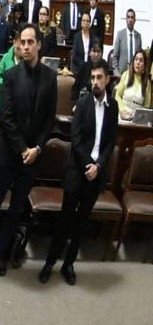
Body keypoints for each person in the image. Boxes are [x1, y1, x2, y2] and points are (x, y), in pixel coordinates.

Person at [0, 24, 57, 277]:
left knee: (17, 208)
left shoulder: (50, 77)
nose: (26, 47)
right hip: (10, 152)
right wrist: (23, 148)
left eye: (30, 42)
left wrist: (37, 148)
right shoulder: (10, 75)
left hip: (33, 157)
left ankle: (0, 253)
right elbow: (5, 118)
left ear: (39, 44)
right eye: (23, 42)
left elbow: (49, 120)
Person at [39, 60, 117, 286]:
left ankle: (69, 264)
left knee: (81, 223)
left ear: (107, 80)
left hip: (96, 173)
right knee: (65, 220)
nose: (95, 82)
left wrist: (98, 166)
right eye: (92, 78)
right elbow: (76, 139)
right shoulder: (82, 104)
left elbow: (110, 142)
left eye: (99, 78)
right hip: (78, 170)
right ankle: (49, 263)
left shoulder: (113, 107)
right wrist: (88, 165)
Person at [114, 49, 151, 119]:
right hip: (122, 115)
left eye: (141, 60)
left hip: (138, 118)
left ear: (144, 65)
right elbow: (118, 95)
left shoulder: (147, 82)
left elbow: (147, 106)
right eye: (136, 59)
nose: (138, 62)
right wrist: (122, 110)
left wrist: (138, 115)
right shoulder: (126, 75)